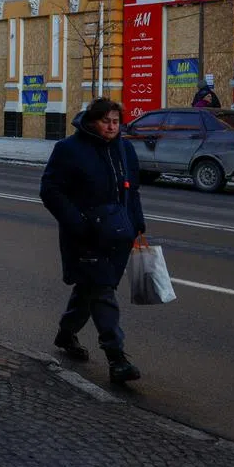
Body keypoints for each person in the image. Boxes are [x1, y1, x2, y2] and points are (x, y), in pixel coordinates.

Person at [40, 97, 145, 385]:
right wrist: (78, 223)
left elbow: (132, 191)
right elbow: (50, 190)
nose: (111, 127)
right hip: (84, 235)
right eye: (105, 121)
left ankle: (65, 333)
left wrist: (138, 223)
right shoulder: (69, 150)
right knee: (101, 292)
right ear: (91, 121)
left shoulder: (125, 149)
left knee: (93, 288)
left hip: (119, 234)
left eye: (115, 121)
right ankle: (117, 358)